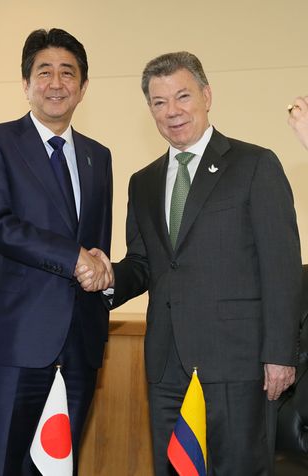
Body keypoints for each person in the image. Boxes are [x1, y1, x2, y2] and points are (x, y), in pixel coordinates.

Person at [76, 52, 302, 475]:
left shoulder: (255, 165)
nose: (172, 111)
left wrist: (279, 354)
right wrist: (107, 277)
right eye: (159, 102)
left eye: (182, 96)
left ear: (207, 95)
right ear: (150, 110)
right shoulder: (142, 182)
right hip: (166, 367)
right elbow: (144, 264)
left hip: (237, 364)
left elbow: (283, 266)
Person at [0, 28, 113, 476]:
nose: (56, 83)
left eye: (67, 73)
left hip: (80, 344)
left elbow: (96, 242)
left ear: (83, 86)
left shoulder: (98, 156)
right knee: (3, 466)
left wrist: (102, 268)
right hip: (13, 341)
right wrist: (73, 258)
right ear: (26, 84)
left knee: (57, 468)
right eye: (43, 72)